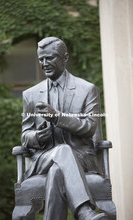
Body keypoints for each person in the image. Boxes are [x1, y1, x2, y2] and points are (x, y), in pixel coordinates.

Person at [21, 37, 108, 220]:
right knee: (61, 152)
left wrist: (58, 117)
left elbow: (90, 127)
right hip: (43, 159)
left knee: (57, 170)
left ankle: (83, 211)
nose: (44, 64)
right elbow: (25, 136)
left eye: (50, 58)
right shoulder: (30, 95)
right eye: (41, 59)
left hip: (82, 158)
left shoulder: (87, 90)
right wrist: (37, 137)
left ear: (65, 58)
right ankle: (84, 211)